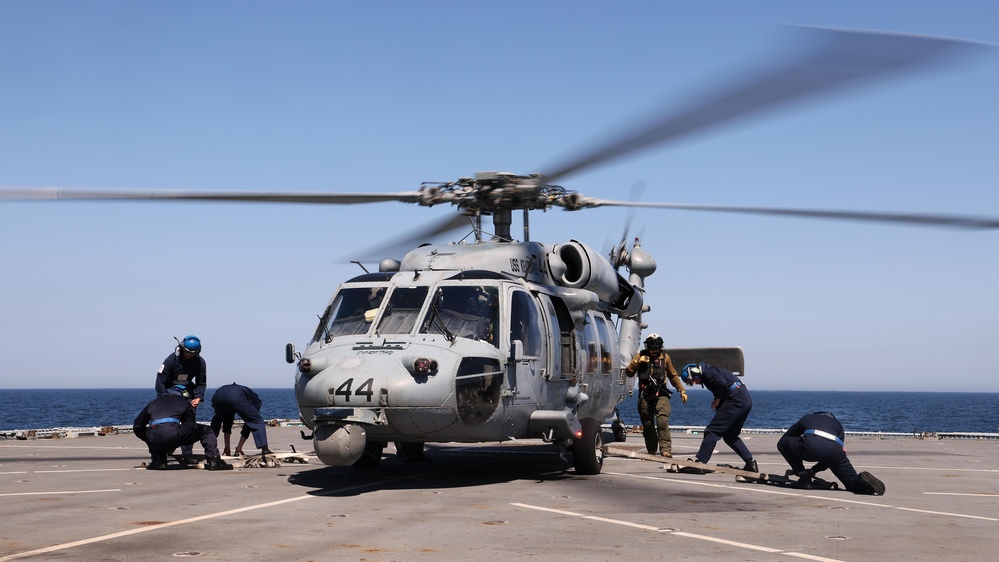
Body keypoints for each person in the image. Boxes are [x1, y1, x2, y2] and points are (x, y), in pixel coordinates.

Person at [778, 411, 886, 495]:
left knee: (782, 443)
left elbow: (786, 438)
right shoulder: (838, 425)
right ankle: (861, 481)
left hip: (810, 447)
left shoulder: (807, 418)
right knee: (850, 482)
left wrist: (802, 469)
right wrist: (815, 469)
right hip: (835, 451)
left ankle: (804, 478)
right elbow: (831, 455)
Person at [680, 362, 757, 473]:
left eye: (692, 380)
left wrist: (716, 401)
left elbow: (722, 385)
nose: (695, 383)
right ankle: (750, 463)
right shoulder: (710, 372)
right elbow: (723, 389)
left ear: (693, 373)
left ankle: (701, 463)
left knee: (711, 431)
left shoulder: (708, 372)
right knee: (730, 436)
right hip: (744, 400)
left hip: (736, 399)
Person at [133, 385, 232, 471]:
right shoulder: (184, 403)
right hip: (174, 433)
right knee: (207, 430)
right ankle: (214, 460)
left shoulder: (153, 403)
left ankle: (159, 460)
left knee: (154, 432)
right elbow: (190, 425)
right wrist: (174, 442)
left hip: (155, 437)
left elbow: (138, 425)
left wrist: (149, 439)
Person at [624, 334, 688, 457]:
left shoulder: (665, 358)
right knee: (647, 424)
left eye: (657, 348)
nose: (654, 351)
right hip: (645, 394)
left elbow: (673, 375)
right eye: (652, 348)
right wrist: (636, 362)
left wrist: (682, 390)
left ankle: (665, 450)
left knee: (662, 420)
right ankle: (651, 450)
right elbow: (629, 372)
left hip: (661, 394)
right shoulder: (640, 357)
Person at [155, 335, 207, 456]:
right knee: (166, 425)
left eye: (192, 353)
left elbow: (201, 382)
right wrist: (164, 398)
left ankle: (187, 454)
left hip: (187, 393)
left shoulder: (200, 362)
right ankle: (163, 453)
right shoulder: (171, 360)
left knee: (189, 424)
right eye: (187, 352)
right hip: (168, 393)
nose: (189, 355)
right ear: (181, 347)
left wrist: (198, 397)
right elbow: (160, 381)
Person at [210, 382, 272, 457]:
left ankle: (210, 448)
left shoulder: (242, 392)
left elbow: (227, 423)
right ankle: (265, 449)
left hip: (218, 395)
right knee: (257, 421)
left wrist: (227, 447)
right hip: (236, 396)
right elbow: (250, 425)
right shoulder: (255, 401)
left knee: (217, 421)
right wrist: (239, 447)